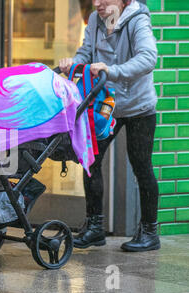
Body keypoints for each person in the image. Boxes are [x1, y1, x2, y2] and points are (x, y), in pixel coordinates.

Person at [59, 0, 160, 252]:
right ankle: (95, 227)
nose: (97, 3)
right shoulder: (95, 20)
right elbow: (87, 52)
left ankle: (149, 231)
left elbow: (148, 58)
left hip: (138, 107)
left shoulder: (138, 20)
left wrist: (111, 70)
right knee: (91, 159)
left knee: (141, 166)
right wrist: (73, 63)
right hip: (106, 106)